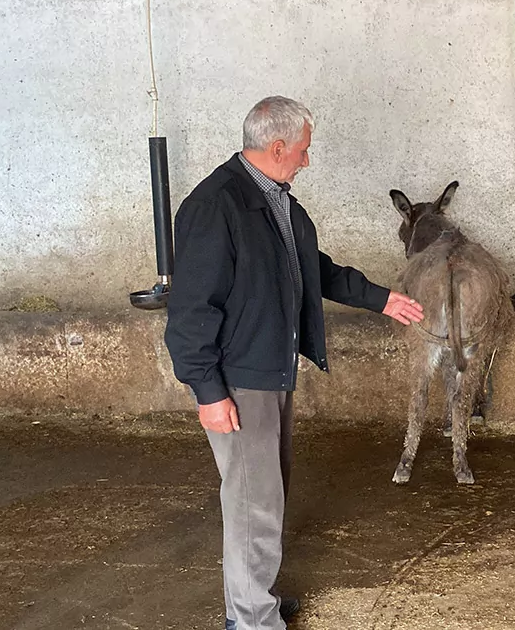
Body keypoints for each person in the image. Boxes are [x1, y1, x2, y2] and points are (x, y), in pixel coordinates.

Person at [164, 96, 424, 630]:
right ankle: (252, 620)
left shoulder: (275, 200)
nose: (307, 160)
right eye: (303, 150)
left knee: (267, 490)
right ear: (277, 146)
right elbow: (192, 308)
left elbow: (314, 268)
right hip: (240, 377)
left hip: (270, 366)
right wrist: (207, 391)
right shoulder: (218, 205)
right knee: (251, 500)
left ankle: (254, 597)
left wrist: (380, 298)